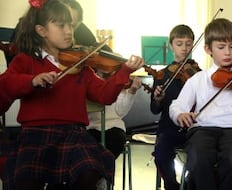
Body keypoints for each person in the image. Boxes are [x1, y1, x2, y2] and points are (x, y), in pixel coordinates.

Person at [0, 0, 143, 189]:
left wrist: (124, 71)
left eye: (70, 25)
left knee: (90, 170)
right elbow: (6, 84)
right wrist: (32, 81)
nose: (69, 31)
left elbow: (104, 95)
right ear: (42, 31)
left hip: (72, 134)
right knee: (25, 180)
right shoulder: (26, 60)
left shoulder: (79, 66)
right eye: (61, 25)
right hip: (36, 135)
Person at [169, 18, 232, 190]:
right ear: (209, 49)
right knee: (199, 158)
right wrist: (180, 114)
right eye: (221, 47)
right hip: (202, 129)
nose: (228, 53)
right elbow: (176, 105)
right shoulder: (198, 79)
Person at [150, 24, 200, 190]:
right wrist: (158, 99)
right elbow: (154, 110)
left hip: (194, 128)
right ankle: (172, 186)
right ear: (171, 45)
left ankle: (189, 186)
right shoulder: (162, 75)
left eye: (188, 44)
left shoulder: (199, 74)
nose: (184, 49)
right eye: (179, 44)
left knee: (201, 157)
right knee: (161, 155)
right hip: (169, 128)